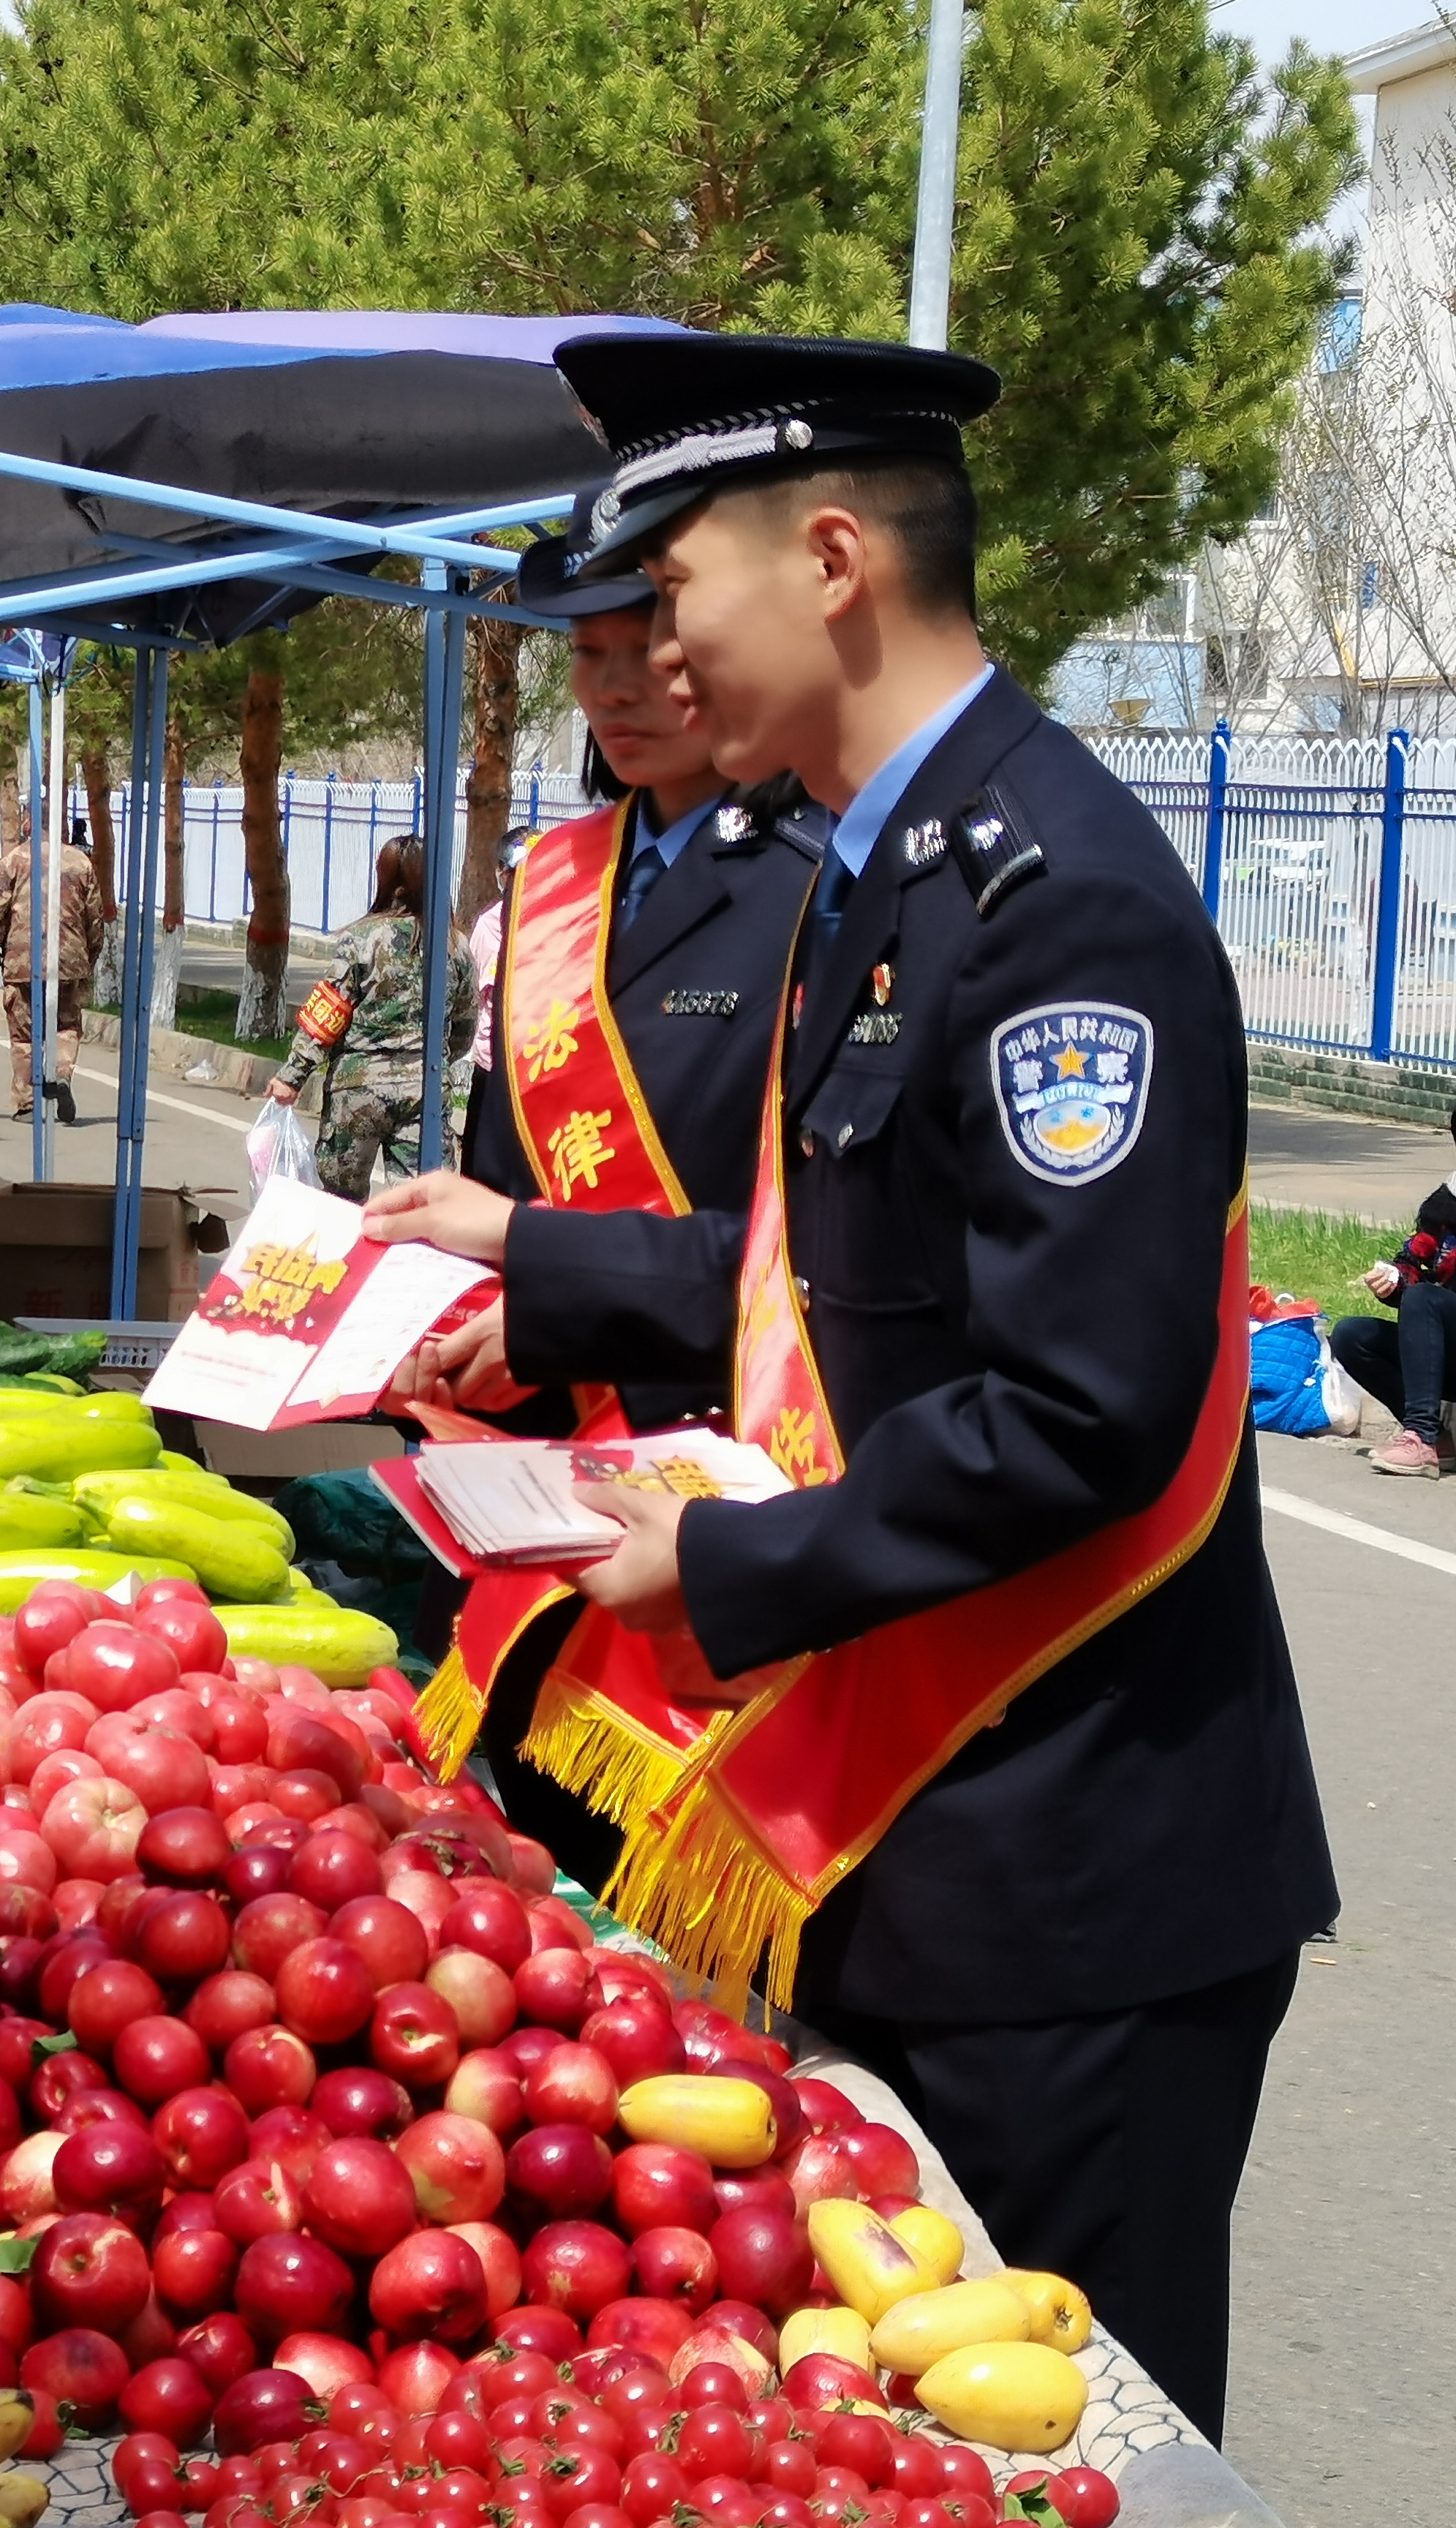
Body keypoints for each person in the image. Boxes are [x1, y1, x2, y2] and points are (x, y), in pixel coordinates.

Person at [367, 334, 1334, 2438]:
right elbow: (847, 1282)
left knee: (1052, 2449)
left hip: (1068, 1873)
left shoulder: (1050, 899)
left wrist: (734, 1559)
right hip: (936, 1840)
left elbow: (1081, 1401)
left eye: (671, 583)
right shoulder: (890, 871)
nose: (651, 652)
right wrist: (542, 1264)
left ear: (828, 561)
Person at [415, 520, 827, 1897]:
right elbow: (498, 1177)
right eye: (586, 657)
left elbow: (801, 1251)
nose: (617, 689)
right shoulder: (547, 885)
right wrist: (481, 1321)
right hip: (546, 1479)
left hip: (724, 1468)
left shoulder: (820, 886)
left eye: (649, 647)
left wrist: (531, 1265)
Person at [259, 835, 475, 1197]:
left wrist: (291, 1078)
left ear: (389, 881)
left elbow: (327, 1013)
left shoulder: (361, 939)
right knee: (421, 1205)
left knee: (339, 1204)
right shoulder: (455, 945)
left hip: (356, 1093)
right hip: (425, 1089)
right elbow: (464, 1026)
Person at [1326, 1103, 1456, 1473]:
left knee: (1426, 1299)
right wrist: (1394, 1280)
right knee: (1352, 1335)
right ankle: (1433, 1438)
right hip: (1448, 1349)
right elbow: (1414, 1263)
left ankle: (1420, 1436)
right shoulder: (1444, 1205)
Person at [0, 805, 105, 1124]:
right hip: (69, 961)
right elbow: (95, 916)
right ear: (63, 825)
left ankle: (28, 1103)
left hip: (23, 962)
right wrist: (90, 955)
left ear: (28, 822)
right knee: (66, 1025)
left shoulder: (14, 861)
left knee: (24, 1034)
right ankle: (61, 1075)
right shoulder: (81, 862)